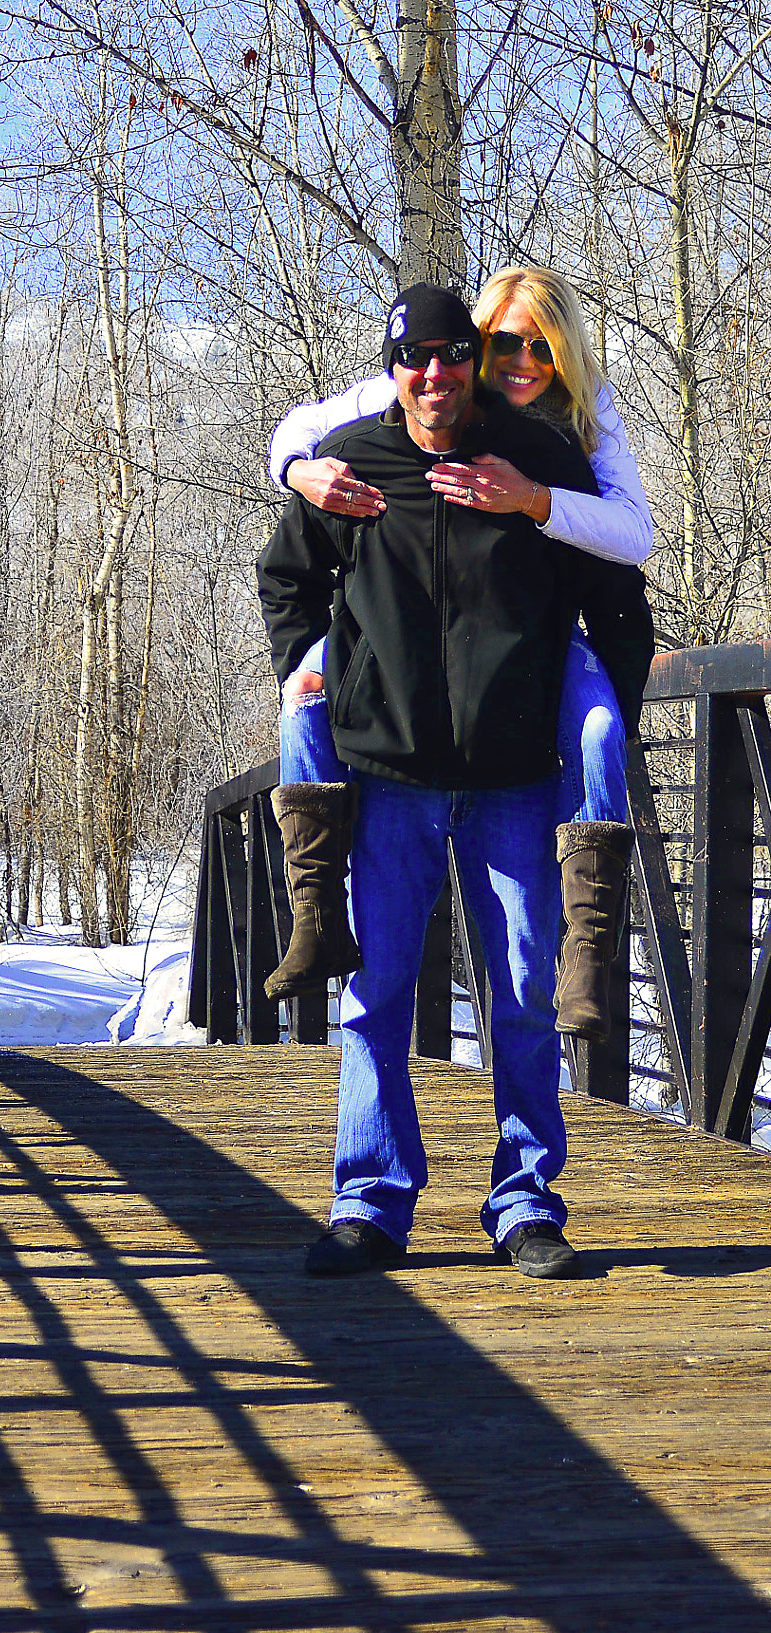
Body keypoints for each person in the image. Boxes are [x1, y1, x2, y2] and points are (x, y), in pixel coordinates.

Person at [257, 282, 651, 1280]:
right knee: (376, 990)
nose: (430, 375)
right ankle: (368, 1201)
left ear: (468, 361)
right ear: (389, 369)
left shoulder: (536, 462)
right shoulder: (352, 460)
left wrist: (604, 717)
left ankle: (524, 1203)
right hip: (388, 775)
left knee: (520, 993)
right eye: (410, 359)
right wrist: (317, 673)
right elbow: (286, 578)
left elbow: (616, 588)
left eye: (448, 355)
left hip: (512, 778)